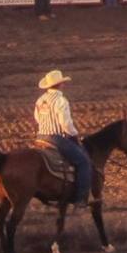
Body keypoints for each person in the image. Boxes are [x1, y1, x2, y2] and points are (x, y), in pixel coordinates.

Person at [33, 69, 93, 204]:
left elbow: (37, 118)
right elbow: (65, 123)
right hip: (56, 139)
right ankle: (81, 198)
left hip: (40, 137)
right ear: (60, 84)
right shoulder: (61, 100)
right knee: (83, 162)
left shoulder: (40, 100)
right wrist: (74, 134)